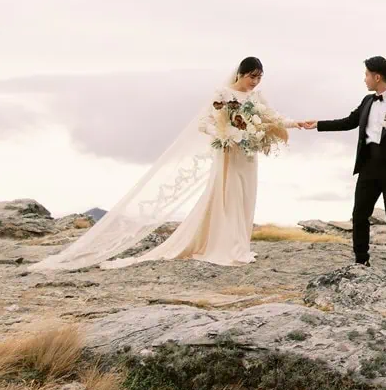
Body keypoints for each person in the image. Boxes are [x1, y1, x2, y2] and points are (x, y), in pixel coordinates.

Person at [29, 57, 289, 272]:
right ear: (240, 74)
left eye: (259, 77)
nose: (255, 82)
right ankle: (227, 246)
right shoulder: (223, 94)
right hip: (229, 154)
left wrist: (296, 124)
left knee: (246, 197)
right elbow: (205, 123)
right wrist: (225, 134)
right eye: (251, 76)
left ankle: (239, 245)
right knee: (229, 195)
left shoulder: (257, 99)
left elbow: (272, 119)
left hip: (248, 157)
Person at [294, 55, 386, 269]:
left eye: (367, 75)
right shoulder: (367, 101)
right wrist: (318, 124)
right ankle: (361, 259)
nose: (365, 79)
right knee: (359, 214)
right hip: (368, 166)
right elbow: (349, 121)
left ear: (377, 77)